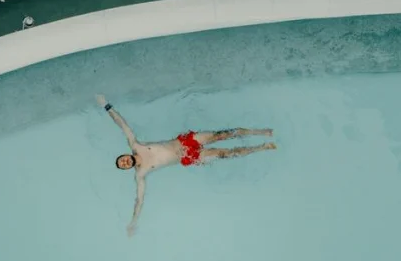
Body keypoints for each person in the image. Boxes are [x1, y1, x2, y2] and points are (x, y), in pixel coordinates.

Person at [97, 95, 275, 236]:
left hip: (186, 142)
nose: (125, 162)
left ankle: (260, 132)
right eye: (124, 165)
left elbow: (123, 125)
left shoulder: (136, 145)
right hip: (190, 157)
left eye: (123, 159)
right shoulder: (141, 174)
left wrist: (107, 106)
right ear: (127, 168)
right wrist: (133, 222)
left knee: (223, 135)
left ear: (125, 155)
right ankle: (262, 147)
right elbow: (139, 200)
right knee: (227, 154)